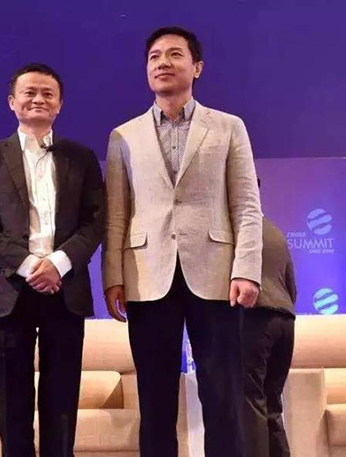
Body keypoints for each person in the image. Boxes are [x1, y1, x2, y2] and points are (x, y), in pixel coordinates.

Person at [102, 26, 263, 457]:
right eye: (154, 56)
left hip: (217, 276)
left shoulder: (228, 127)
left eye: (174, 54)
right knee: (154, 401)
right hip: (146, 276)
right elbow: (116, 214)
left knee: (222, 396)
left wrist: (247, 269)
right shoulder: (123, 136)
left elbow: (247, 205)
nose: (163, 63)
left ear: (197, 67)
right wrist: (113, 276)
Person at [0, 63, 104, 457]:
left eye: (48, 93)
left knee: (62, 402)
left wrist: (58, 263)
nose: (38, 99)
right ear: (12, 102)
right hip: (10, 290)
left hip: (65, 288)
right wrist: (31, 267)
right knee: (13, 403)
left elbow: (95, 222)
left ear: (60, 104)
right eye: (29, 92)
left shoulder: (81, 158)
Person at [243, 181, 297, 457]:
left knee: (251, 402)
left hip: (256, 319)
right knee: (272, 404)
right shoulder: (276, 232)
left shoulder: (240, 232)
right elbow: (292, 288)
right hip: (285, 321)